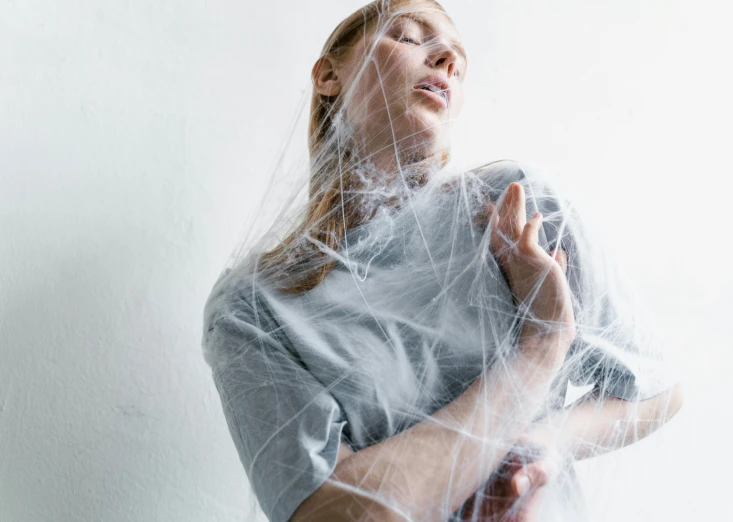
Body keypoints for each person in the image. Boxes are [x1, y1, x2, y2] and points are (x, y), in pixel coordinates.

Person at [201, 1, 684, 521]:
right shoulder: (254, 305)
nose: (446, 60)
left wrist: (541, 441)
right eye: (409, 37)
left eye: (458, 61)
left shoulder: (516, 210)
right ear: (328, 75)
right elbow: (331, 516)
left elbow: (657, 387)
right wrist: (541, 349)